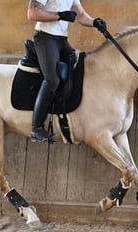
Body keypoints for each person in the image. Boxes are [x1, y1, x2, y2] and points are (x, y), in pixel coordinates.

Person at [27, 0, 107, 142]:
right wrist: (59, 15)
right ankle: (36, 128)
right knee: (52, 79)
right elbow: (32, 13)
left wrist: (95, 22)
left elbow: (80, 14)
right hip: (46, 38)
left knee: (81, 66)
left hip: (62, 41)